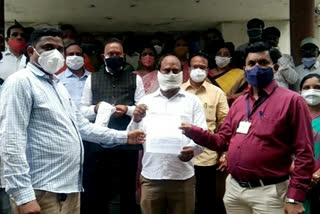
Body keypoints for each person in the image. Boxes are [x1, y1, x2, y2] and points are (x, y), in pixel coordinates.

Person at [0, 27, 145, 214]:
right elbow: (11, 140)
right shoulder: (20, 82)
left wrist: (124, 137)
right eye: (48, 47)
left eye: (59, 49)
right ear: (31, 51)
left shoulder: (58, 86)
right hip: (41, 191)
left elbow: (83, 127)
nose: (55, 53)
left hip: (69, 190)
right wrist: (23, 196)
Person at [180, 42, 315, 214]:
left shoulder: (292, 101)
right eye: (251, 64)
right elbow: (222, 141)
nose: (256, 68)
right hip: (235, 190)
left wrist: (295, 198)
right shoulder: (239, 103)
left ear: (274, 68)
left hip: (269, 192)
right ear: (244, 69)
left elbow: (305, 152)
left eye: (263, 63)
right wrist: (194, 131)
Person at [128, 54, 207, 214]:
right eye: (166, 70)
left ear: (181, 73)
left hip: (182, 177)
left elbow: (202, 136)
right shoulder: (147, 101)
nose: (171, 74)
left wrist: (193, 150)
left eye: (175, 70)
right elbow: (131, 136)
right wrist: (136, 119)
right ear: (158, 72)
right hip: (152, 176)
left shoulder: (192, 102)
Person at [80, 38, 145, 214]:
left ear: (123, 56)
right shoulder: (92, 78)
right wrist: (96, 108)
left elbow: (143, 108)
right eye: (111, 54)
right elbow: (82, 111)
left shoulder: (135, 79)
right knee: (96, 188)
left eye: (118, 54)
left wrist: (127, 110)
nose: (114, 56)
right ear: (103, 56)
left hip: (127, 143)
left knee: (126, 189)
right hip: (97, 144)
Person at [181, 53, 229, 214]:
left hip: (207, 158)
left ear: (208, 70)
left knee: (205, 201)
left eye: (202, 67)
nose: (198, 70)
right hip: (180, 156)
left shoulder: (217, 93)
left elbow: (225, 124)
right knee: (182, 201)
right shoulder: (178, 91)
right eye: (195, 67)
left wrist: (225, 153)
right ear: (188, 69)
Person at [300, 73, 320, 214]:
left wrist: (316, 176)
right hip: (295, 180)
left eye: (317, 87)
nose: (311, 91)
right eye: (306, 87)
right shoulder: (292, 117)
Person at [58, 43, 90, 108]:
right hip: (67, 117)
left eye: (78, 54)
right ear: (65, 57)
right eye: (71, 54)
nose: (75, 57)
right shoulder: (58, 79)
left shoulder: (93, 78)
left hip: (91, 117)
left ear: (83, 57)